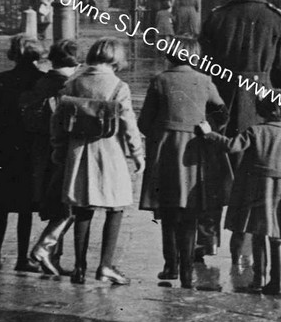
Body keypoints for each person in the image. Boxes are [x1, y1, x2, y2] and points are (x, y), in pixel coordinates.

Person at [200, 0, 281, 265]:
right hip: (261, 105)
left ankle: (208, 238)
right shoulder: (277, 20)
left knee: (213, 170)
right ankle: (244, 248)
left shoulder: (216, 17)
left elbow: (204, 69)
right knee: (253, 176)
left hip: (220, 101)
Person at [51, 38, 145, 285]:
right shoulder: (118, 86)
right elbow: (128, 124)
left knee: (82, 207)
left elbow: (57, 121)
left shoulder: (73, 83)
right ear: (116, 59)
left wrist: (59, 148)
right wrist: (137, 154)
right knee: (116, 206)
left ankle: (79, 267)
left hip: (78, 153)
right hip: (110, 152)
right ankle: (105, 266)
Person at [197, 90, 281, 297]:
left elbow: (231, 147)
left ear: (262, 109)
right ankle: (277, 282)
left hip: (257, 189)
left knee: (258, 234)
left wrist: (209, 134)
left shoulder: (255, 131)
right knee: (277, 237)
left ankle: (258, 280)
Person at [138, 37, 230, 288]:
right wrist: (206, 127)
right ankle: (188, 270)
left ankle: (170, 265)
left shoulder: (159, 81)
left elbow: (143, 123)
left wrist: (161, 131)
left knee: (168, 210)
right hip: (194, 152)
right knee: (190, 211)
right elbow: (222, 113)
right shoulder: (205, 81)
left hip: (165, 152)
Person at [0, 34, 45, 272]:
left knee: (1, 205)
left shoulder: (0, 79)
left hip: (0, 148)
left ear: (13, 54)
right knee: (25, 207)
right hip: (28, 148)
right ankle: (22, 258)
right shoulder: (42, 81)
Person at [24, 39, 80, 276]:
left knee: (59, 204)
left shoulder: (43, 81)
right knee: (68, 205)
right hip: (61, 151)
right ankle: (47, 252)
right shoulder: (68, 84)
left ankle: (50, 255)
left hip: (40, 149)